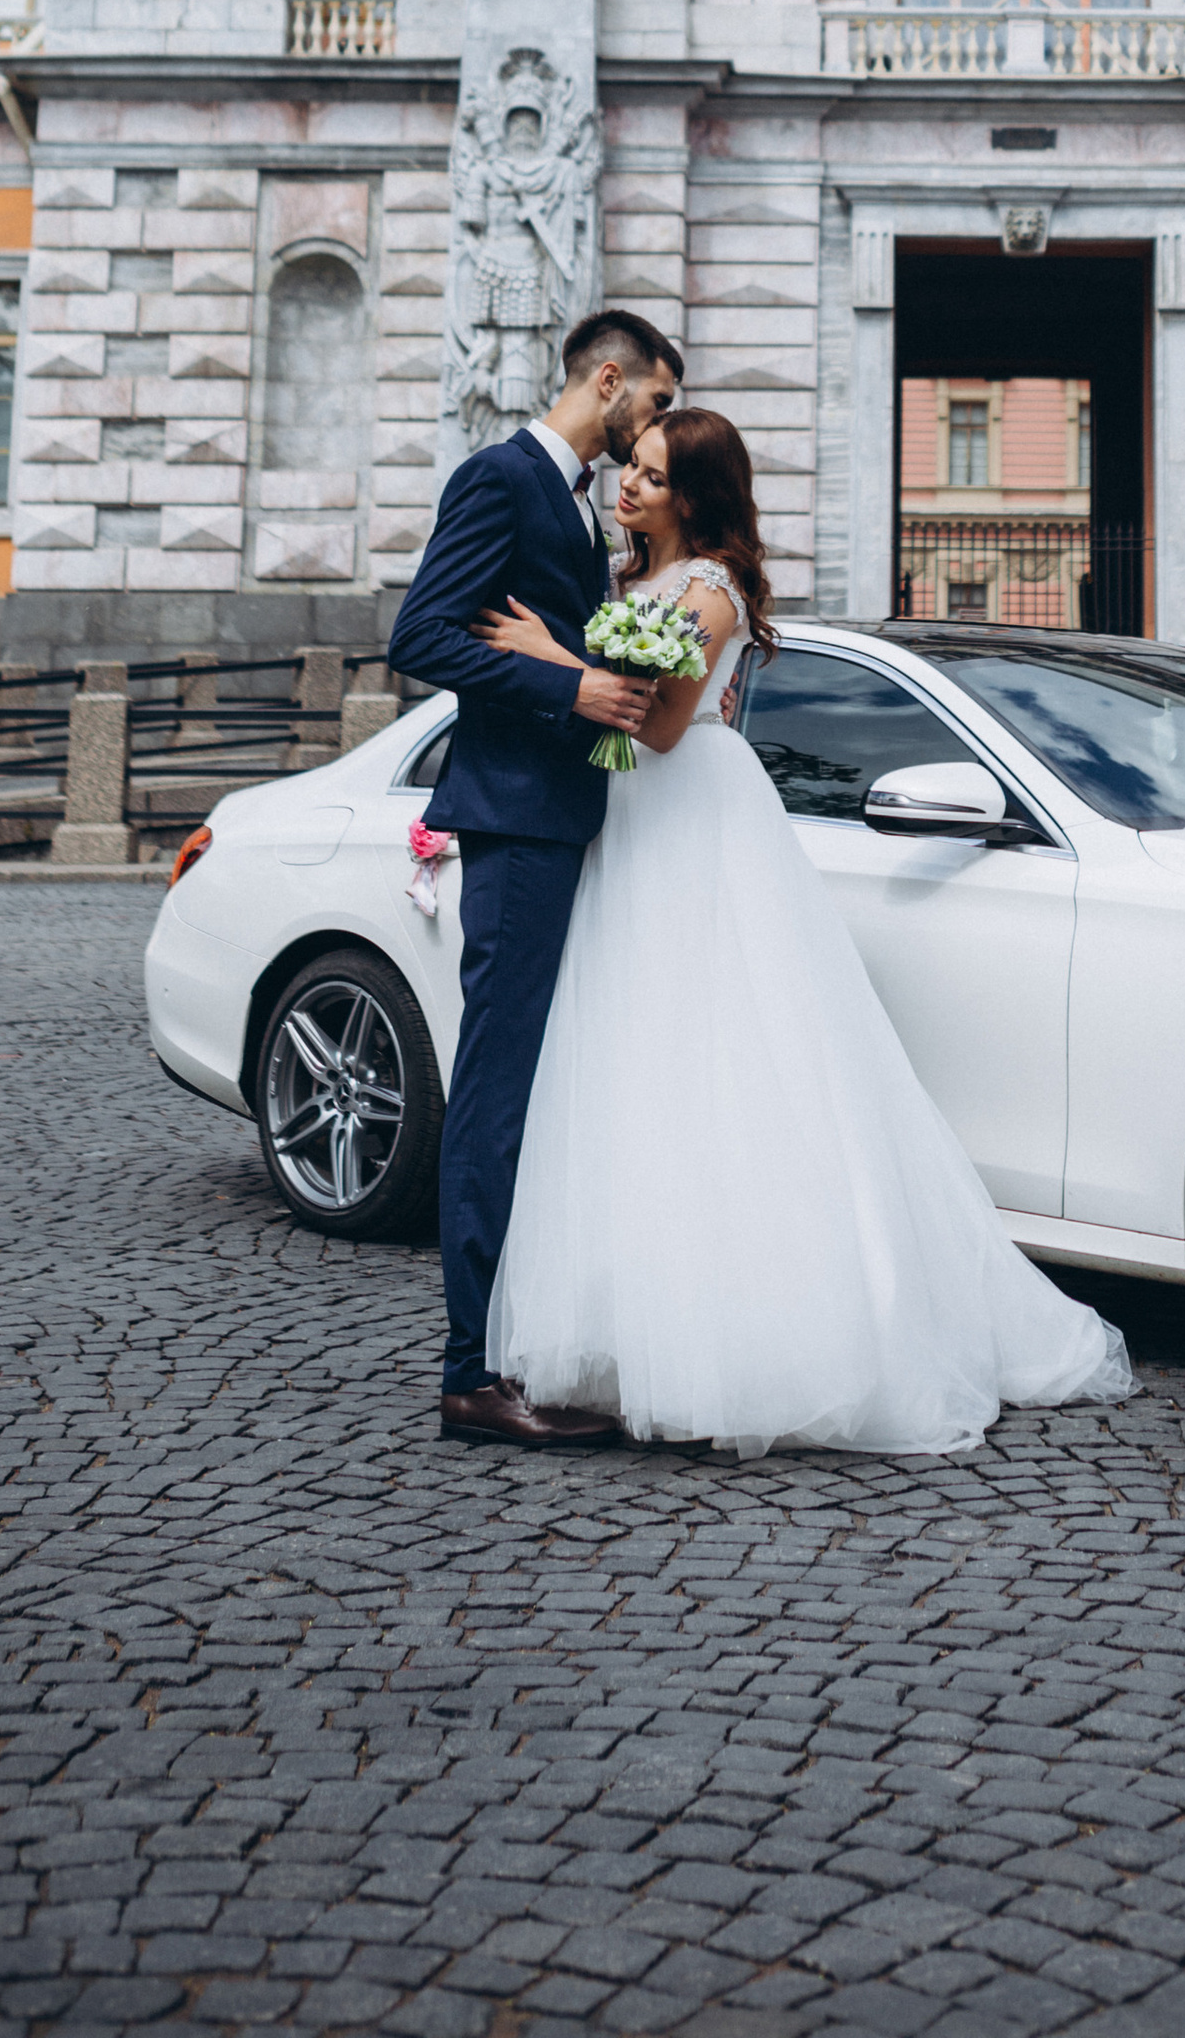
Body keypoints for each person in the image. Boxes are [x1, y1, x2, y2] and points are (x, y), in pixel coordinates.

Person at [472, 405, 1134, 1457]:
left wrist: (552, 653)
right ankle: (629, 1333)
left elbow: (664, 722)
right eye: (628, 470)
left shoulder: (712, 592)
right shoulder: (629, 583)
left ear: (695, 495)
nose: (627, 488)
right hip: (628, 829)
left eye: (648, 475)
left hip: (693, 825)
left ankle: (758, 1337)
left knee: (733, 1062)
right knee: (630, 1074)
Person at [385, 306, 684, 1446]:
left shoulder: (570, 502)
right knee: (495, 1091)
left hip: (561, 819)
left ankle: (519, 1338)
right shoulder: (500, 478)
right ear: (607, 380)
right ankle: (470, 1373)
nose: (654, 429)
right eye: (652, 404)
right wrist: (571, 692)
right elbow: (420, 635)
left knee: (536, 1092)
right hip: (513, 823)